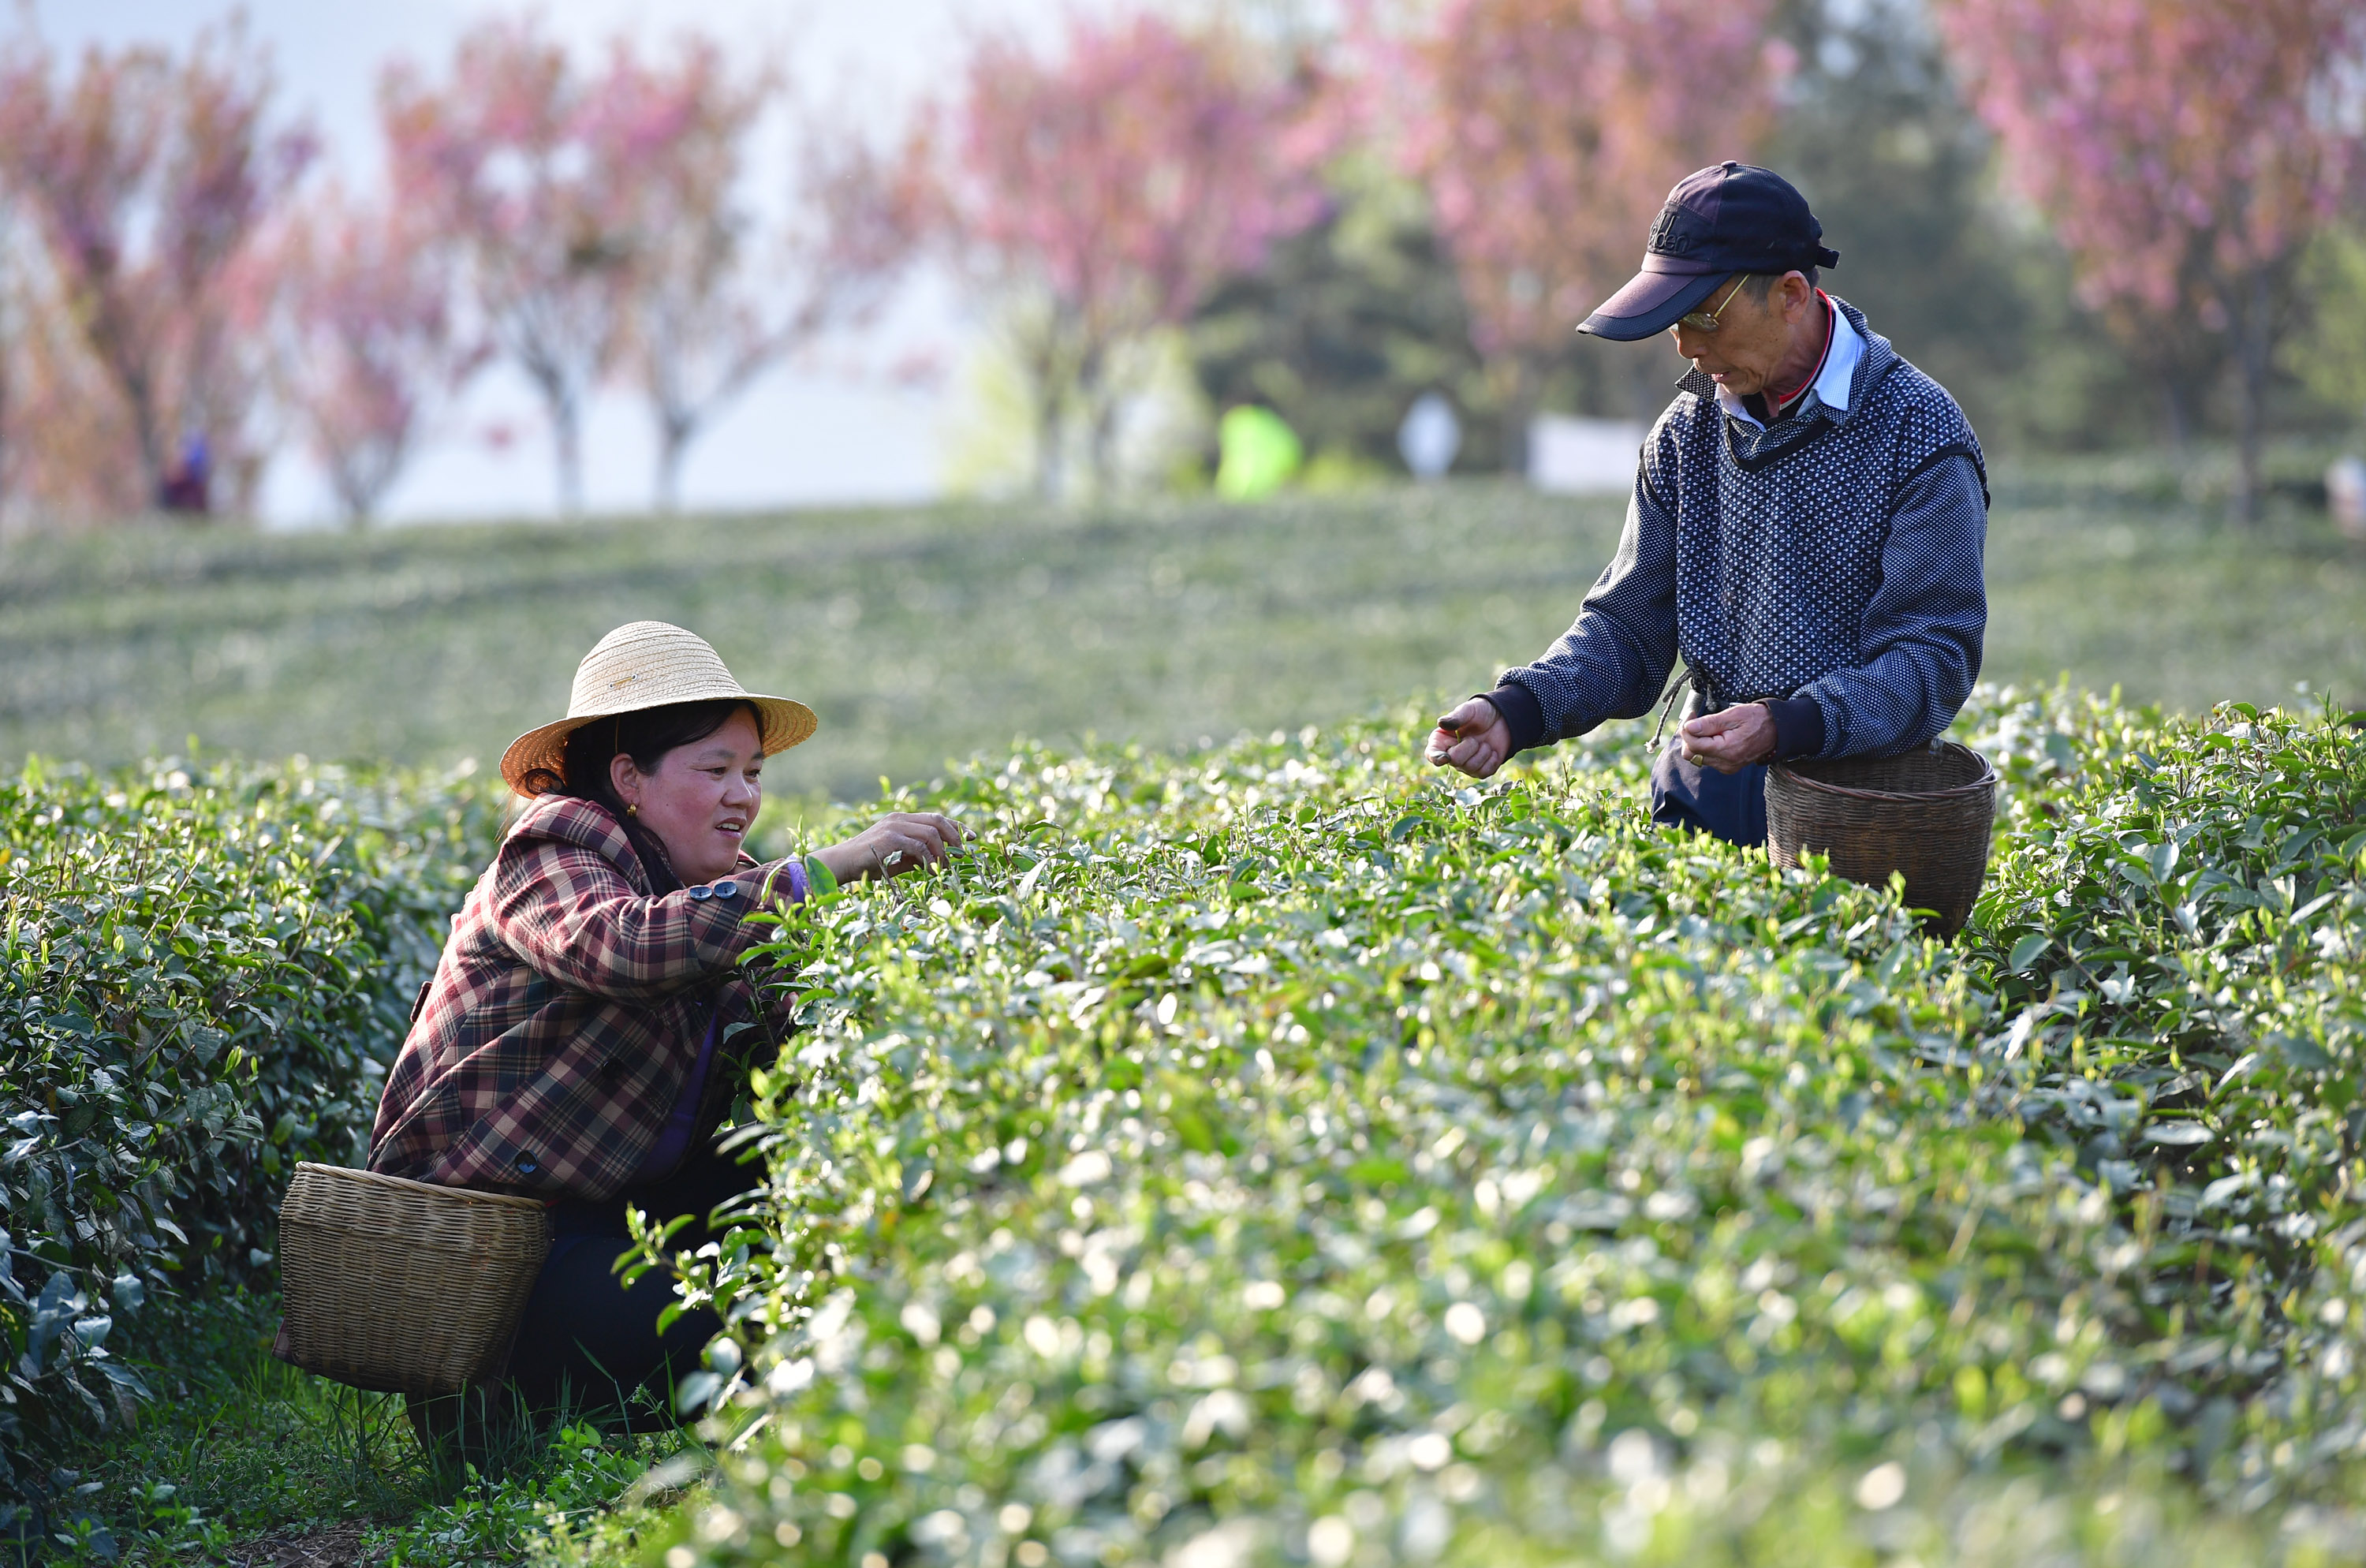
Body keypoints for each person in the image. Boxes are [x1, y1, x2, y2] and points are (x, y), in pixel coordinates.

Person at [368, 620, 961, 1459]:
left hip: (611, 1213)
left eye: (752, 772)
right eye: (714, 770)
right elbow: (627, 945)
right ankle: (490, 1414)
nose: (742, 796)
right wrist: (824, 870)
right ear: (628, 779)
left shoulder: (714, 886)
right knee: (756, 1346)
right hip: (495, 1257)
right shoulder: (551, 851)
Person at [1427, 162, 1987, 846]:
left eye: (1702, 318)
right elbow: (1627, 632)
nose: (1689, 349)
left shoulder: (1917, 430)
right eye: (1674, 324)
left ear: (1788, 294)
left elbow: (1933, 657)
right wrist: (1516, 708)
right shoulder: (1686, 434)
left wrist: (1790, 723)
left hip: (1858, 814)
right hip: (1704, 797)